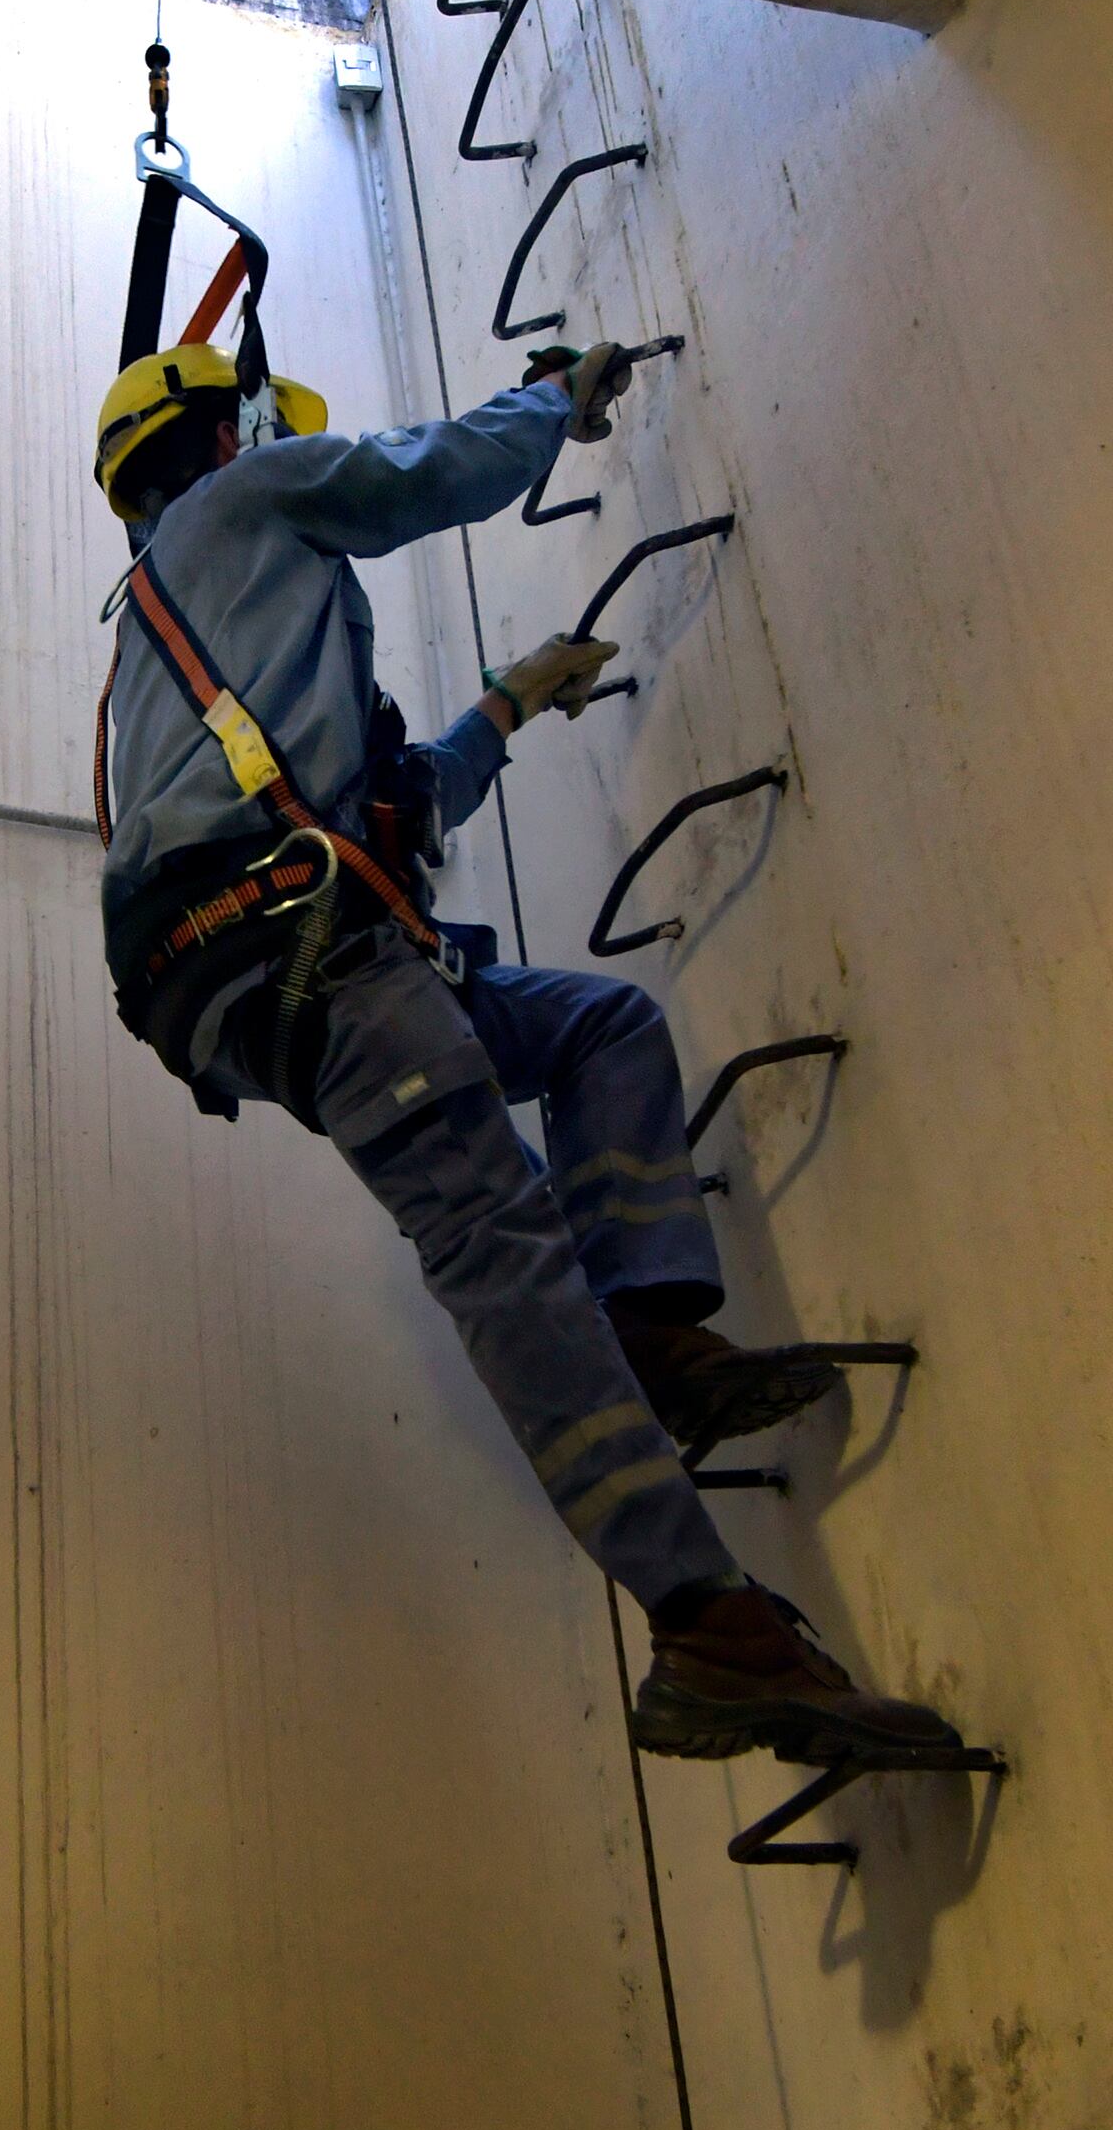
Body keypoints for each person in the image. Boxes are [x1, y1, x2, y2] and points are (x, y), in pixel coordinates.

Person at [88, 337, 965, 1762]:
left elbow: (394, 803)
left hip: (275, 961)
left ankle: (654, 1335)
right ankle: (709, 1624)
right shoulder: (243, 508)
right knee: (500, 1245)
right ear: (231, 430)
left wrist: (510, 701)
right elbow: (437, 472)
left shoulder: (193, 646)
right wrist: (552, 401)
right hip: (303, 951)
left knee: (599, 1027)